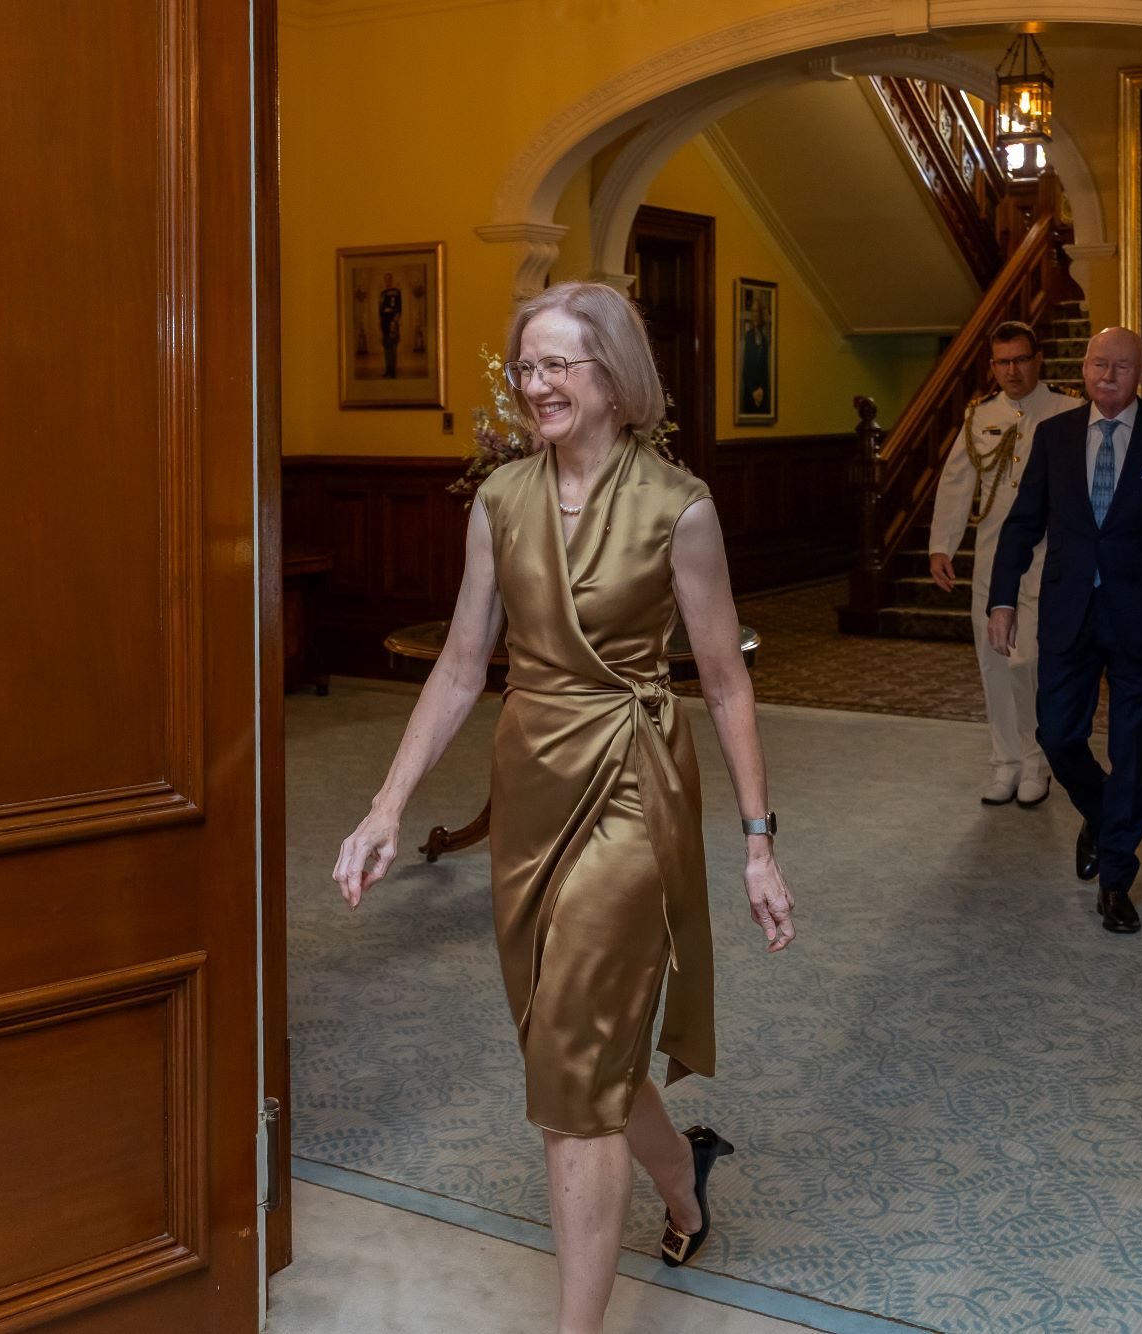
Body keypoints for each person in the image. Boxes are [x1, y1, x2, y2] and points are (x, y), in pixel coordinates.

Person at [332, 281, 795, 1334]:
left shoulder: (678, 506)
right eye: (523, 366)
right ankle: (683, 1181)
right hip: (529, 782)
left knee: (574, 1069)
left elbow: (723, 680)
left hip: (632, 782)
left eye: (554, 365)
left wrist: (757, 843)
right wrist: (385, 805)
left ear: (613, 377)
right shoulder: (498, 501)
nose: (533, 384)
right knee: (566, 1039)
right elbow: (459, 667)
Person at [986, 326, 1142, 935]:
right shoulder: (1055, 436)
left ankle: (1116, 879)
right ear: (1082, 370)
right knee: (1057, 735)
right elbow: (1022, 521)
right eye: (1096, 364)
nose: (1106, 375)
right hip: (1069, 613)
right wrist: (1001, 598)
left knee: (1134, 749)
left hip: (1141, 618)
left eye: (1120, 366)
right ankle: (1104, 812)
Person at [927, 321, 1078, 808]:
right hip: (993, 560)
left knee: (1028, 660)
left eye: (1020, 360)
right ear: (992, 366)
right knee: (993, 663)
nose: (1012, 371)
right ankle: (1004, 763)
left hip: (1047, 560)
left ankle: (1037, 761)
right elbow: (956, 483)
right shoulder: (981, 415)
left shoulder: (1069, 410)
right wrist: (941, 546)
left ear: (1038, 360)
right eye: (1002, 362)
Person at [379, 272, 403, 378]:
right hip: (384, 324)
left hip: (392, 324)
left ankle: (393, 372)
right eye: (386, 279)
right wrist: (380, 323)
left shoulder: (396, 292)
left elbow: (399, 309)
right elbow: (380, 310)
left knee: (393, 348)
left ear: (392, 280)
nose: (387, 281)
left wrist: (394, 321)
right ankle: (387, 370)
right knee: (386, 348)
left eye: (389, 279)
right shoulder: (382, 293)